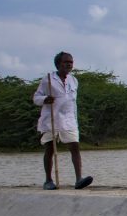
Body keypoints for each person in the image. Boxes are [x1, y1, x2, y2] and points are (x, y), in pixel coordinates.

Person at [33, 52, 93, 190]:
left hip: (69, 119)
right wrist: (45, 99)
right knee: (50, 149)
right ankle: (48, 180)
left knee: (75, 147)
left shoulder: (74, 80)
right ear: (58, 64)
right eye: (66, 62)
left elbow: (73, 102)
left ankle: (79, 179)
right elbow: (36, 98)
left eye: (71, 62)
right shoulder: (48, 79)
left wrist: (75, 120)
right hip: (52, 119)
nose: (69, 64)